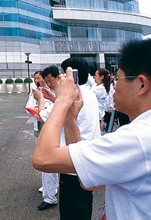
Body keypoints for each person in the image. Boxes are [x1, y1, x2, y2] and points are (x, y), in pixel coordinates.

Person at [32, 35, 151, 220]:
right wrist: (70, 119)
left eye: (118, 79)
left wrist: (61, 101)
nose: (114, 87)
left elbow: (43, 158)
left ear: (142, 84)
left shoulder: (140, 139)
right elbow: (87, 181)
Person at [57, 57, 101, 220]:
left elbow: (49, 120)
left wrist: (44, 101)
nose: (60, 77)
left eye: (63, 73)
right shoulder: (89, 93)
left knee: (71, 211)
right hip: (88, 157)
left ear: (72, 75)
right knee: (83, 206)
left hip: (74, 161)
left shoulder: (73, 97)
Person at [32, 67, 59, 211]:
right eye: (35, 79)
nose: (38, 81)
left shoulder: (55, 91)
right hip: (42, 129)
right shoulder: (37, 92)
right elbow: (30, 107)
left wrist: (42, 100)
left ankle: (50, 196)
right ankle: (50, 192)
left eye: (41, 78)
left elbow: (45, 115)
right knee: (49, 165)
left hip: (52, 130)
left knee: (48, 163)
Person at [91, 68, 113, 133]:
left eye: (96, 75)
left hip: (98, 114)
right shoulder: (98, 86)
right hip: (99, 114)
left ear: (101, 77)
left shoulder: (101, 89)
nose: (94, 77)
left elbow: (90, 92)